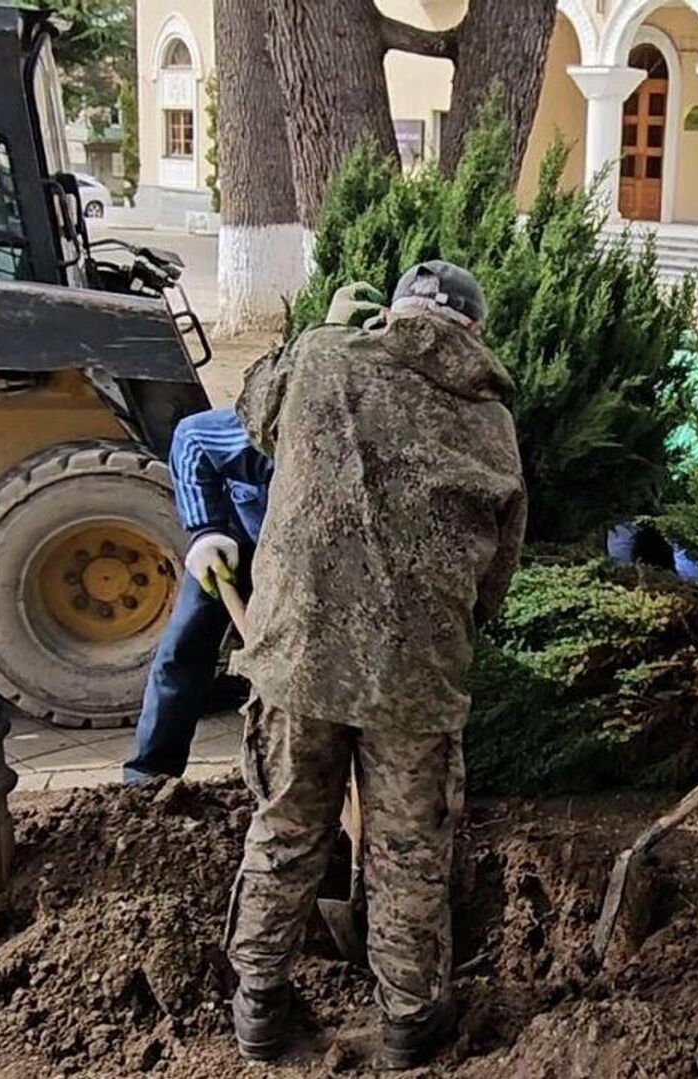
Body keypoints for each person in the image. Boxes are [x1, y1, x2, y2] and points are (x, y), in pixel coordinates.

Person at [222, 261, 526, 1069]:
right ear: (472, 330)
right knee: (406, 851)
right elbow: (498, 570)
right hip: (416, 674)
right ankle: (410, 1022)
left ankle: (259, 1003)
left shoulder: (324, 356)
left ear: (391, 314)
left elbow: (254, 416)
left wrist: (317, 329)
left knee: (286, 827)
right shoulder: (492, 418)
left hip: (297, 654)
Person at [121, 407, 273, 783]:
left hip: (310, 556)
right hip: (238, 539)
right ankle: (148, 776)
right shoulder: (272, 434)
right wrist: (207, 532)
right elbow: (193, 439)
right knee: (184, 647)